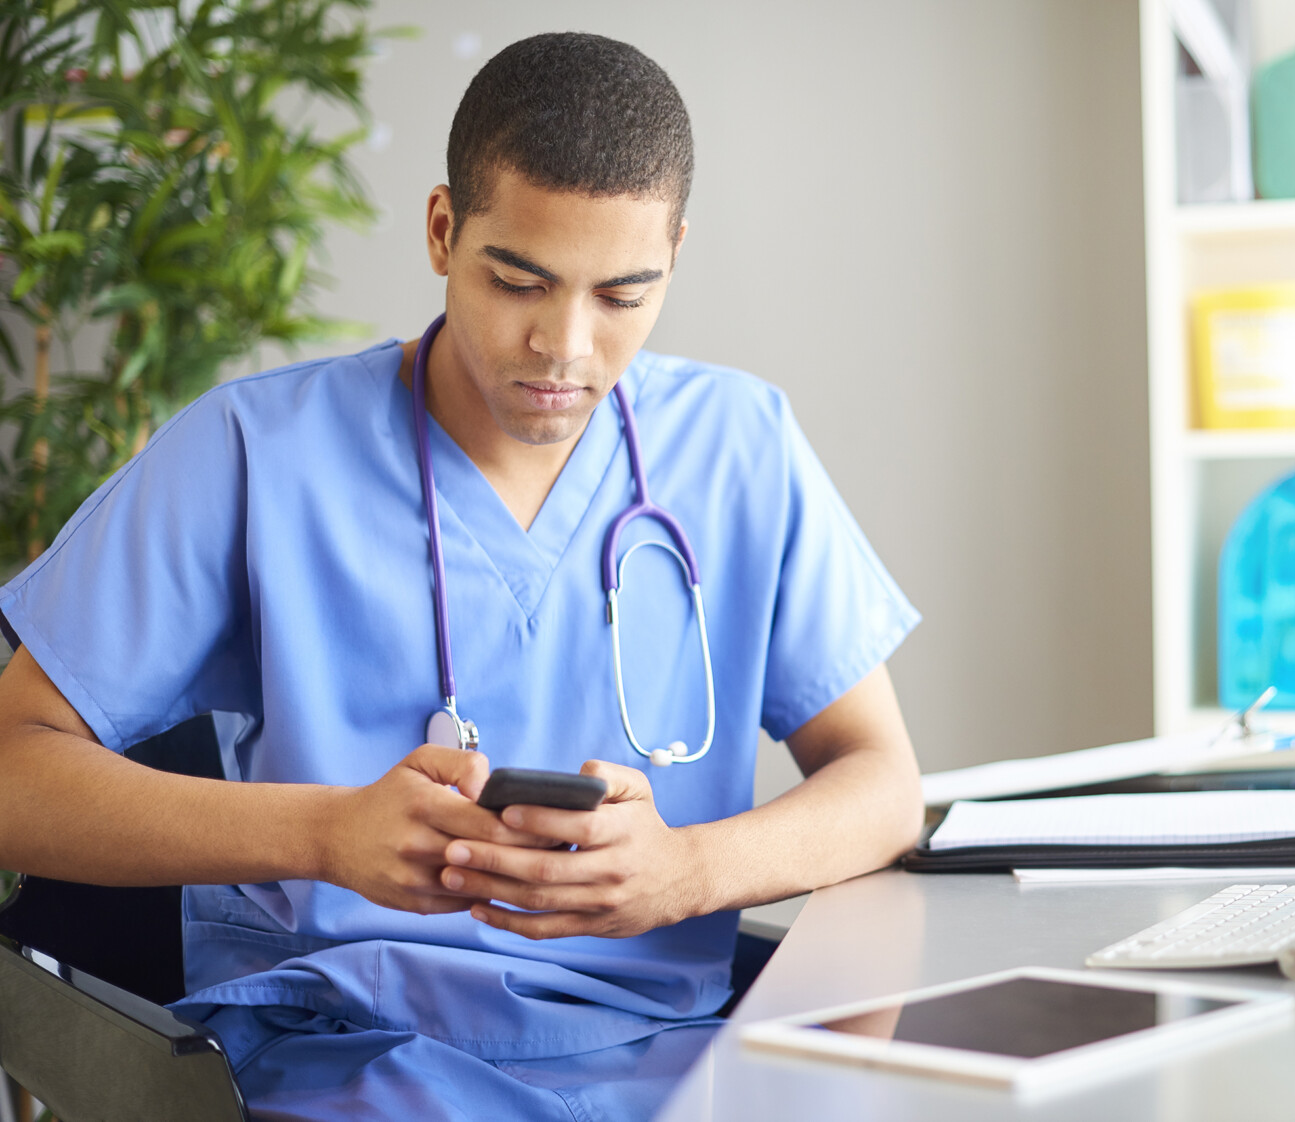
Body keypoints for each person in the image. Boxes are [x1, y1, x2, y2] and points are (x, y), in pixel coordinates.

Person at [0, 31, 923, 1120]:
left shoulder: (741, 446)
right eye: (519, 280)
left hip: (674, 1066)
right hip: (346, 1058)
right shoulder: (254, 453)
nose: (564, 346)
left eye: (623, 294)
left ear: (676, 251)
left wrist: (687, 872)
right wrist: (324, 835)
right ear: (444, 230)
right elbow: (15, 773)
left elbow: (881, 783)